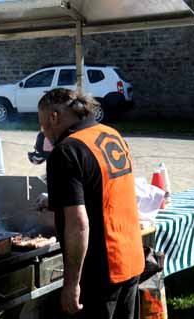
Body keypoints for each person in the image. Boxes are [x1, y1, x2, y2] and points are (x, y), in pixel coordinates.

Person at [37, 88, 144, 319]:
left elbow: (78, 224)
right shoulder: (111, 133)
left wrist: (72, 283)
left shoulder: (66, 151)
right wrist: (55, 200)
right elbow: (103, 190)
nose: (44, 133)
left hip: (101, 272)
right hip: (131, 257)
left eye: (43, 124)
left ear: (53, 117)